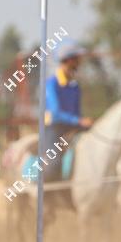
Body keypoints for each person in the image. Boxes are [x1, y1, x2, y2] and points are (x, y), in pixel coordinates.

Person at [44, 42, 93, 181]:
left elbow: (77, 111)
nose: (80, 62)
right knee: (53, 163)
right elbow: (55, 113)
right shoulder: (51, 84)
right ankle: (43, 187)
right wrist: (79, 120)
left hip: (73, 126)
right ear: (69, 60)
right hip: (55, 128)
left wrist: (83, 122)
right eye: (77, 58)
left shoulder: (75, 86)